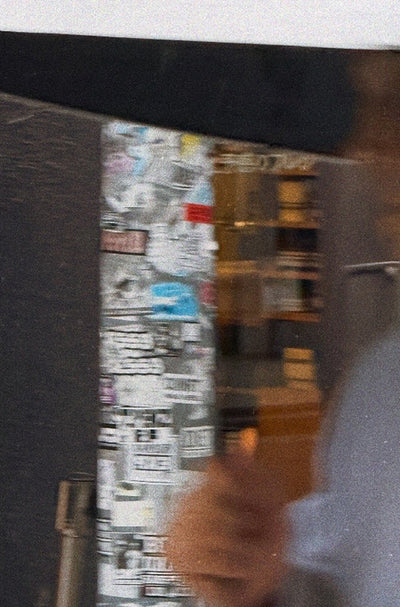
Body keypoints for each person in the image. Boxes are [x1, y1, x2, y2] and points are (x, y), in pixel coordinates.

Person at [166, 53, 400, 607]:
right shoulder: (381, 387)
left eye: (395, 106)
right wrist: (243, 567)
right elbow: (338, 560)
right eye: (369, 108)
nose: (366, 147)